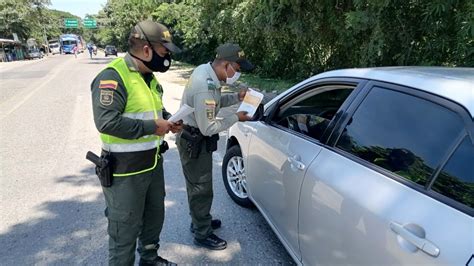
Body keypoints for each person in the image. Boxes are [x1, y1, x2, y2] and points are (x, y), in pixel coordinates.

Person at [90, 20, 182, 266]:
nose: (167, 57)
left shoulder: (149, 78)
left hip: (152, 165)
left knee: (154, 218)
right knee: (124, 231)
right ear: (146, 50)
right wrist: (154, 126)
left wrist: (169, 120)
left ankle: (149, 259)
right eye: (164, 52)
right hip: (124, 173)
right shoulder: (113, 76)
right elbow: (107, 122)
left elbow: (154, 110)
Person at [176, 43, 253, 250]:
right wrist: (237, 117)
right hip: (195, 141)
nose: (237, 74)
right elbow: (209, 127)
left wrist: (237, 98)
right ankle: (202, 233)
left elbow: (216, 101)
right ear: (226, 64)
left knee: (198, 186)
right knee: (201, 188)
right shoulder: (205, 85)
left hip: (195, 137)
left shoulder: (207, 71)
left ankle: (200, 220)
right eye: (236, 70)